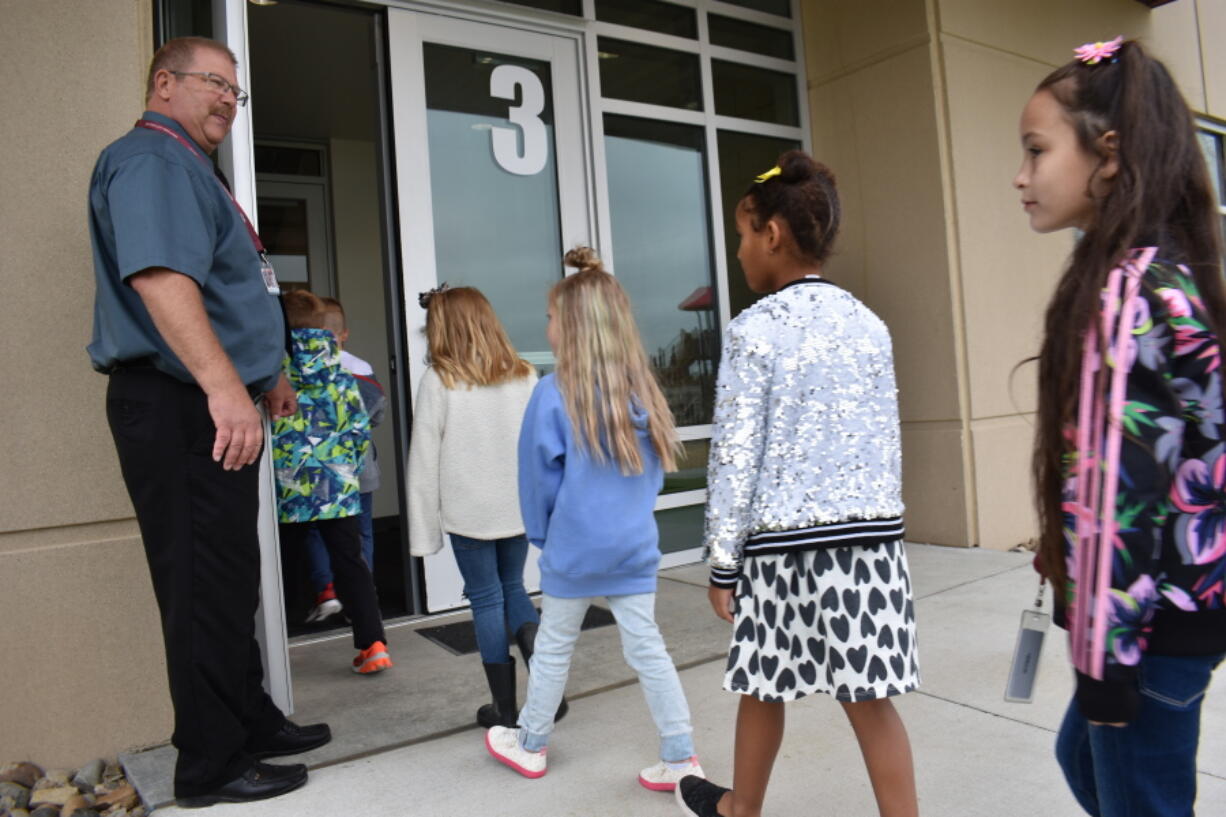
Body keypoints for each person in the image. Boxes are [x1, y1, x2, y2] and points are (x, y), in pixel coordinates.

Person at [87, 36, 329, 808]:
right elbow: (162, 280)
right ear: (165, 84)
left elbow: (235, 289)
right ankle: (210, 765)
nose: (228, 98)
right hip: (180, 404)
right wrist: (227, 388)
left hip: (211, 399)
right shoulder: (153, 160)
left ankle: (250, 721)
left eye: (236, 90)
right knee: (202, 586)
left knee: (229, 582)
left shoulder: (192, 167)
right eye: (214, 83)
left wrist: (270, 373)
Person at [1014, 37, 1226, 817]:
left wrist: (1105, 659)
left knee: (1138, 794)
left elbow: (1119, 493)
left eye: (1037, 151)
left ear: (1108, 156)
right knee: (1084, 754)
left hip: (1147, 624)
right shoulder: (1170, 270)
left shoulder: (1124, 289)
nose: (1021, 174)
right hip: (1185, 606)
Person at [675, 152, 919, 817]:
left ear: (773, 236)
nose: (739, 249)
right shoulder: (871, 325)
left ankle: (740, 807)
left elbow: (733, 457)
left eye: (743, 234)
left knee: (763, 683)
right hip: (868, 546)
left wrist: (724, 563)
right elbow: (885, 439)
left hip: (784, 549)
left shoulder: (754, 331)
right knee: (870, 699)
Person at [484, 248, 702, 791]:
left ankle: (531, 744)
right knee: (646, 646)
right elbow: (651, 480)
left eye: (553, 318)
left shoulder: (553, 393)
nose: (547, 325)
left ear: (576, 327)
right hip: (632, 545)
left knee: (555, 644)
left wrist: (543, 537)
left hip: (574, 548)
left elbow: (537, 482)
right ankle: (680, 754)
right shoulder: (643, 392)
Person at [407, 285, 565, 727]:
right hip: (517, 505)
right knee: (513, 587)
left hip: (468, 511)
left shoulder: (440, 380)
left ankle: (505, 706)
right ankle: (546, 687)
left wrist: (423, 534)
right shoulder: (524, 374)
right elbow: (540, 446)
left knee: (486, 598)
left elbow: (423, 460)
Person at [274, 289, 392, 675]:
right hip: (337, 488)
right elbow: (360, 427)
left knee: (282, 562)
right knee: (350, 562)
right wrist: (344, 469)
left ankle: (278, 648)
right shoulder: (342, 372)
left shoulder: (272, 368)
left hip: (285, 487)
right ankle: (373, 644)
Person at [302, 296, 386, 624]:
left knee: (315, 530)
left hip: (317, 468)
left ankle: (327, 590)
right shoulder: (360, 369)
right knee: (362, 532)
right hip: (359, 467)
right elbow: (376, 413)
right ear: (344, 333)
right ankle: (364, 598)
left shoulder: (299, 366)